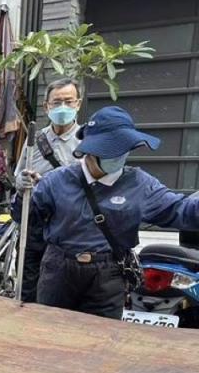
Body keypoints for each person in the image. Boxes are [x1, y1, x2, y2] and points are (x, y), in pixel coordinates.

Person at [23, 106, 199, 319]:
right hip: (59, 270)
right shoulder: (56, 181)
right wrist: (21, 195)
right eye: (112, 150)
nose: (119, 156)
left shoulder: (139, 184)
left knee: (102, 341)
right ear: (91, 150)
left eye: (124, 149)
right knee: (50, 333)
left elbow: (181, 211)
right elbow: (25, 220)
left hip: (108, 274)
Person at [14, 77, 83, 302]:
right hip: (34, 221)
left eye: (68, 101)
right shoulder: (37, 139)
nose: (63, 107)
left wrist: (52, 183)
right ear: (46, 106)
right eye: (56, 102)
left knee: (58, 290)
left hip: (68, 226)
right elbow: (18, 174)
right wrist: (22, 181)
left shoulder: (88, 142)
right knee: (27, 285)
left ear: (78, 104)